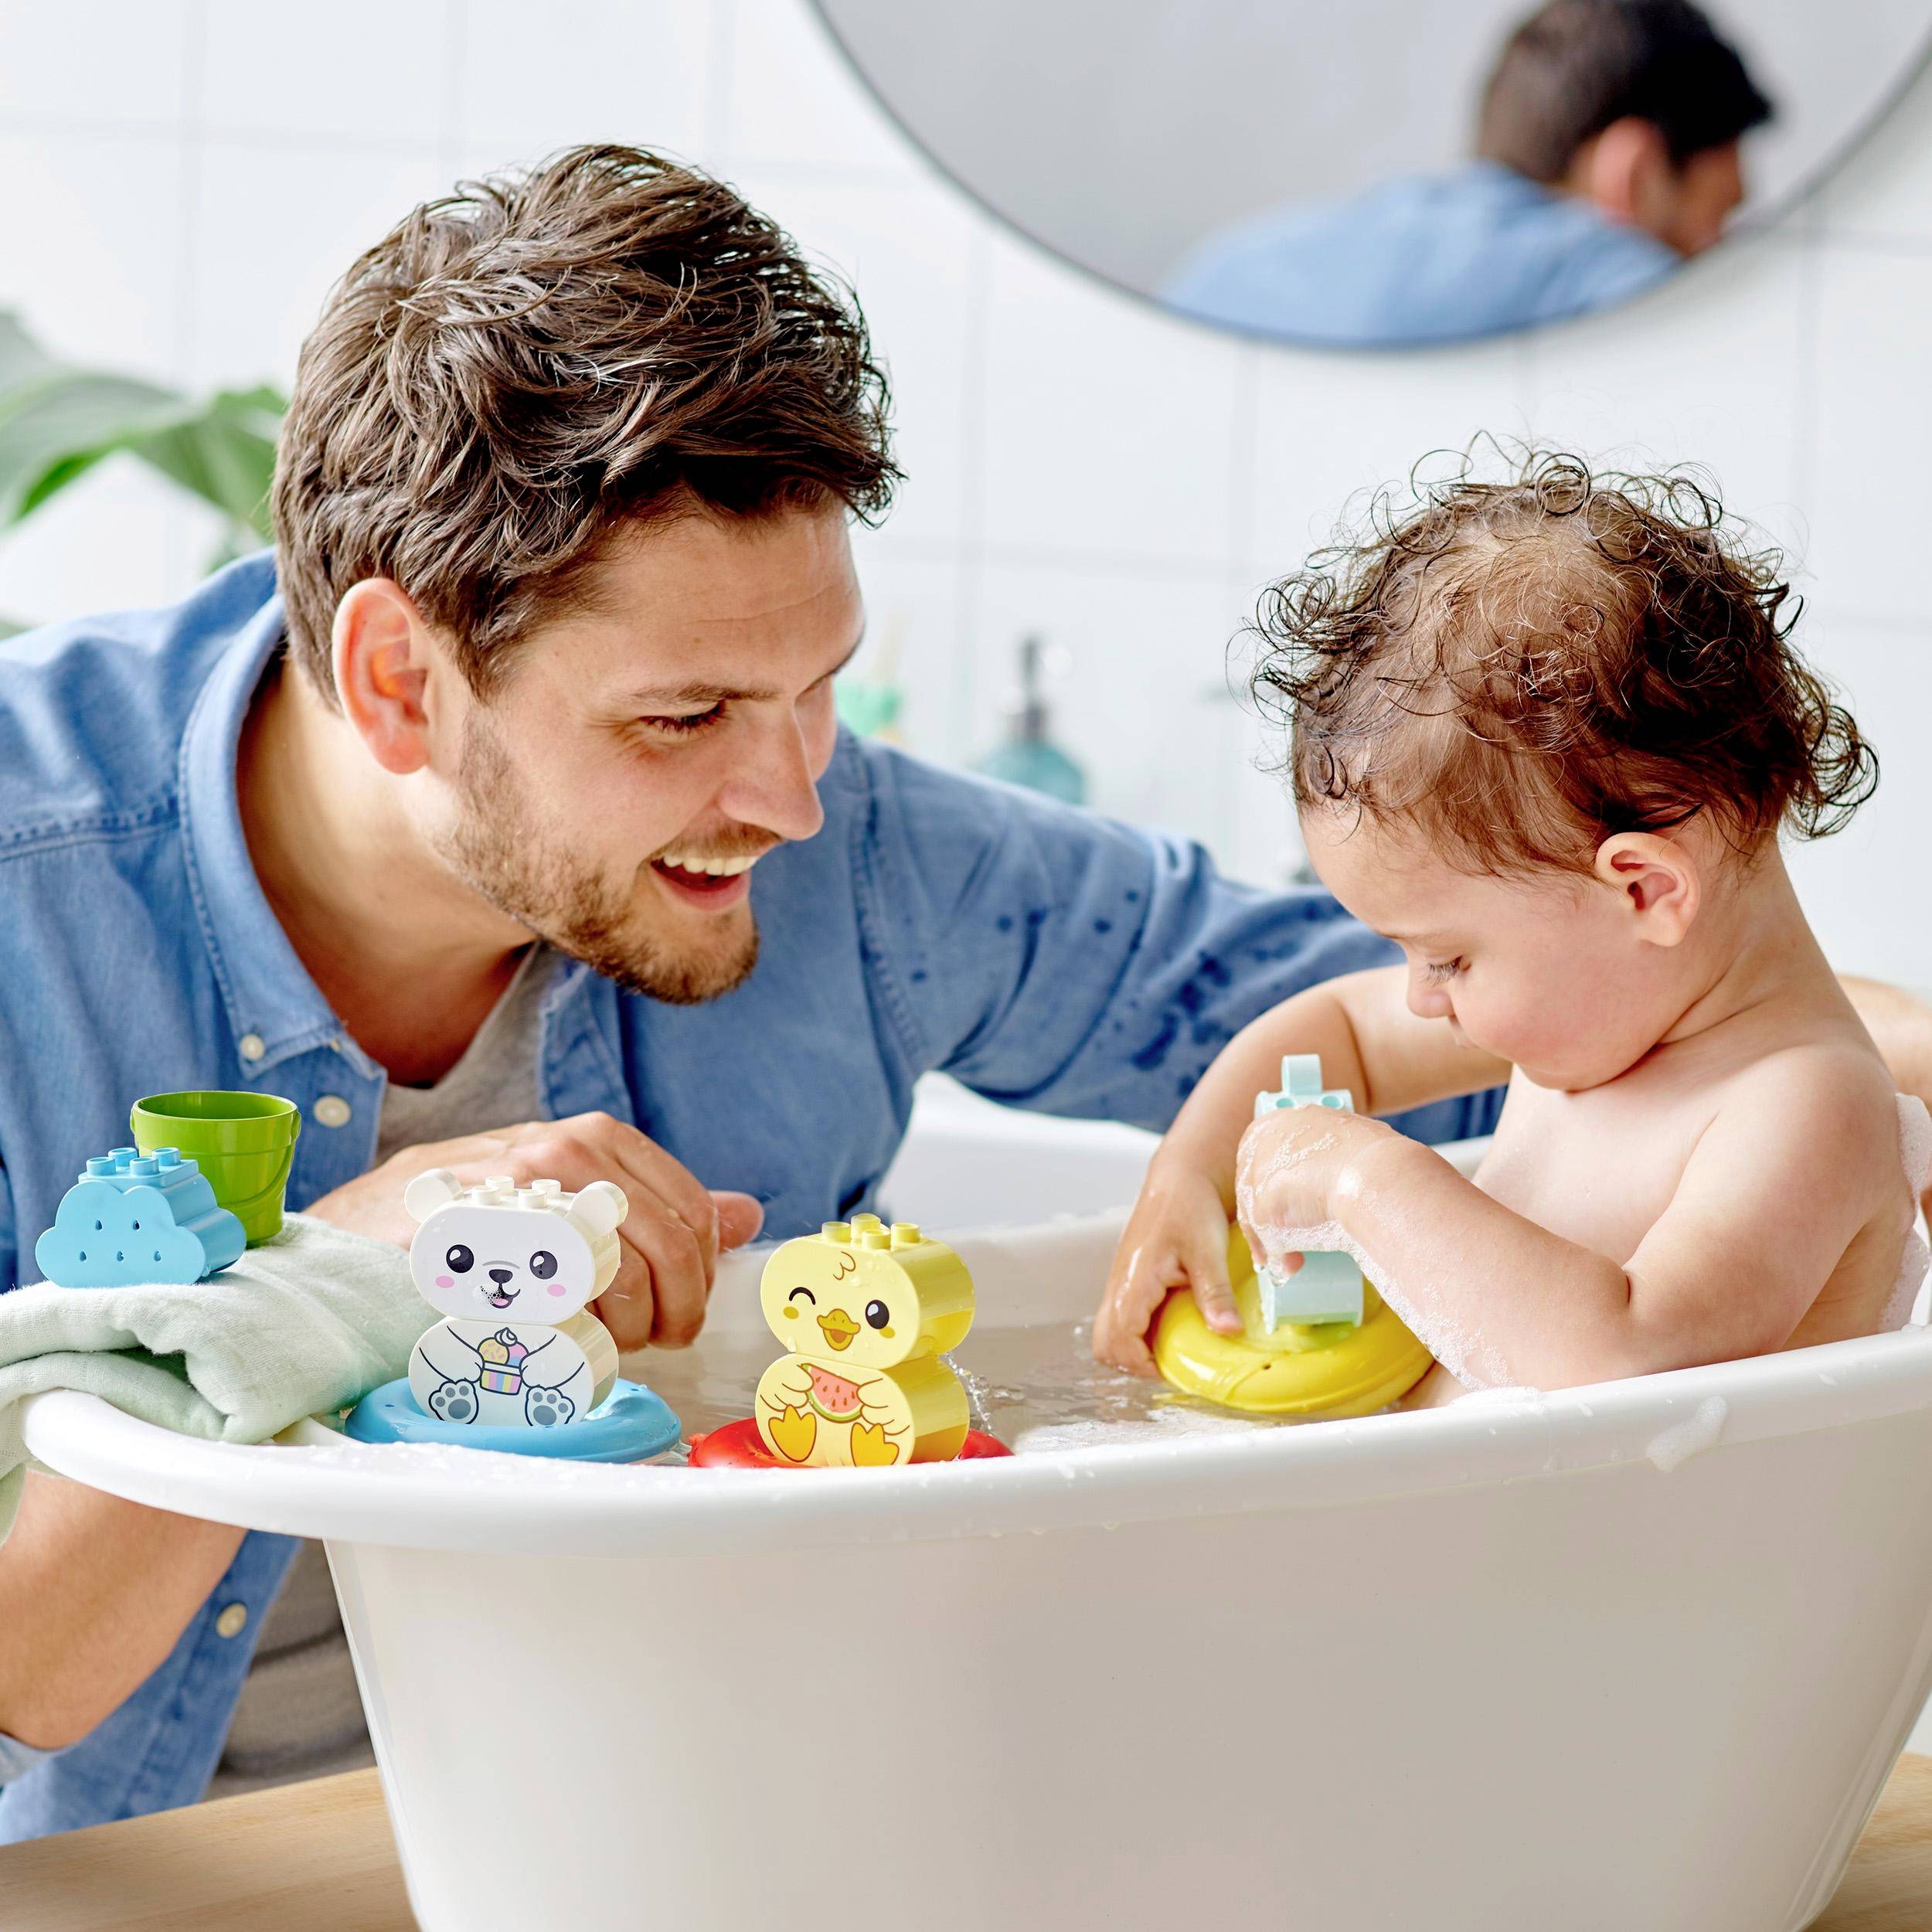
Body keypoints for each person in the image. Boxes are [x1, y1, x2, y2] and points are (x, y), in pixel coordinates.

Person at [0, 144, 1507, 1840]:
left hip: (676, 1837)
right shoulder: (28, 894)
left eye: (818, 690)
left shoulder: (849, 854)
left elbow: (1513, 1008)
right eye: (684, 717)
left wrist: (1771, 1026)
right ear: (399, 679)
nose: (790, 802)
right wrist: (334, 1277)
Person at [1095, 454, 1924, 1406]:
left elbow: (1631, 1362)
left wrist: (1366, 1180)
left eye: (1448, 957)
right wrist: (1187, 1175)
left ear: (1643, 891)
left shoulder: (1806, 1106)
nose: (1420, 997)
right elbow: (1338, 1031)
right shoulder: (1609, 1005)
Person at [1165, 0, 1774, 346]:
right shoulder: (1602, 271)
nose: (1717, 248)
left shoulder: (1231, 263)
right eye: (1720, 212)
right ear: (1631, 172)